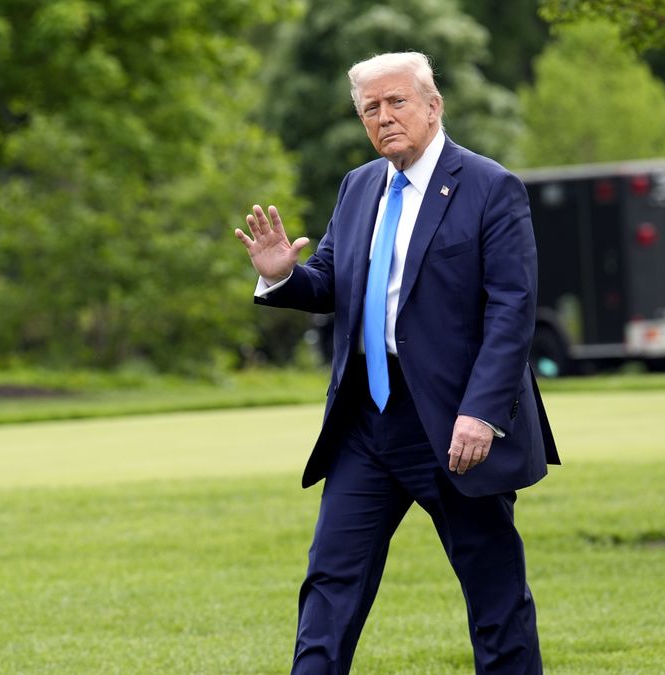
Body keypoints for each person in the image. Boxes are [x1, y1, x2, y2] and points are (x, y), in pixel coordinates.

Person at [234, 51, 560, 674]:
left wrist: (482, 413)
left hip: (455, 427)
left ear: (433, 106)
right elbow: (332, 282)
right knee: (329, 585)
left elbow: (512, 312)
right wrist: (284, 278)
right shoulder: (359, 187)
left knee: (495, 597)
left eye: (396, 102)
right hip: (367, 423)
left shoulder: (491, 188)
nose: (383, 118)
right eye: (370, 109)